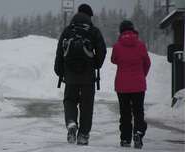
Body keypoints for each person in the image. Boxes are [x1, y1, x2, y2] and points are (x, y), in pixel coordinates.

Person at [54, 4, 106, 145]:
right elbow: (102, 51)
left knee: (70, 100)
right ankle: (83, 135)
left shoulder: (68, 30)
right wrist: (95, 64)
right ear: (89, 16)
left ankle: (71, 122)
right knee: (86, 105)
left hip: (70, 75)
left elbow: (59, 52)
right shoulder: (93, 31)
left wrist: (59, 71)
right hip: (88, 76)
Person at [111, 20, 151, 149]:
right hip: (138, 85)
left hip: (122, 85)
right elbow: (147, 63)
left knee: (125, 113)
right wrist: (141, 75)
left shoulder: (117, 46)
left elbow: (114, 60)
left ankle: (125, 139)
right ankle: (138, 132)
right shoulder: (141, 45)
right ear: (133, 30)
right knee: (138, 111)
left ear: (121, 31)